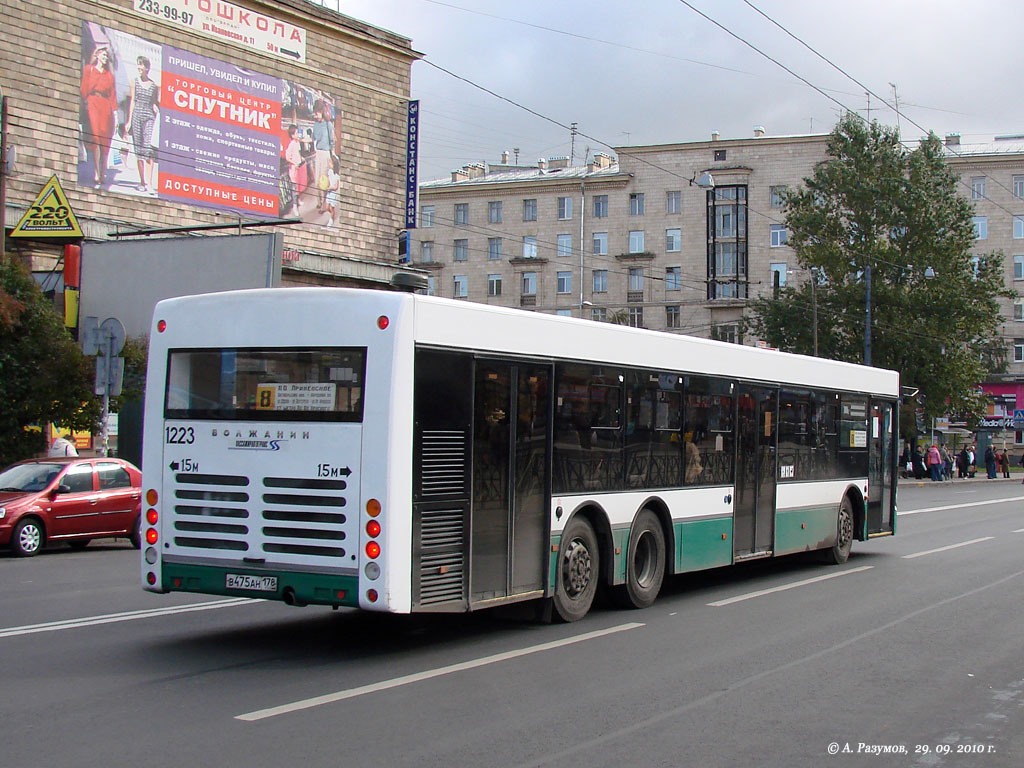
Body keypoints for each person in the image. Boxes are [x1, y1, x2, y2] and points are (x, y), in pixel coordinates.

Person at [80, 45, 118, 188]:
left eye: (106, 56)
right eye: (103, 55)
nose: (105, 58)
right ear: (97, 56)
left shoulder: (109, 75)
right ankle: (96, 172)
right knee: (95, 136)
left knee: (105, 139)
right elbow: (84, 89)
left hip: (105, 106)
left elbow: (113, 95)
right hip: (93, 102)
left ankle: (103, 172)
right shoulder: (89, 69)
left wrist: (115, 114)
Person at [128, 55, 159, 193]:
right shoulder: (134, 81)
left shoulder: (153, 85)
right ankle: (142, 181)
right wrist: (129, 121)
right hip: (137, 115)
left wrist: (156, 107)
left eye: (141, 65)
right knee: (138, 150)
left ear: (147, 67)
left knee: (149, 150)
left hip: (149, 116)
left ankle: (150, 183)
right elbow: (132, 101)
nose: (139, 67)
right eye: (138, 64)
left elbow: (154, 102)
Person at [311, 100, 335, 213]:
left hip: (326, 154)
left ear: (321, 111)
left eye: (317, 113)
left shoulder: (328, 124)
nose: (315, 115)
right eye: (314, 113)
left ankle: (323, 205)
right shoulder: (315, 124)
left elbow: (331, 141)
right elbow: (313, 138)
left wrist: (332, 155)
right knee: (316, 181)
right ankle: (318, 202)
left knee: (323, 181)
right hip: (318, 153)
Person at [284, 125, 303, 217]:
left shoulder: (297, 142)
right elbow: (287, 157)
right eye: (296, 133)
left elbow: (297, 153)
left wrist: (300, 158)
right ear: (292, 135)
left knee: (298, 186)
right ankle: (295, 206)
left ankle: (298, 200)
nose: (298, 134)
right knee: (294, 188)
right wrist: (294, 163)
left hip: (298, 167)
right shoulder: (291, 144)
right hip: (293, 169)